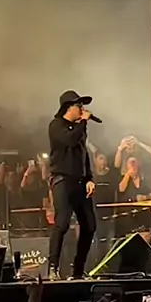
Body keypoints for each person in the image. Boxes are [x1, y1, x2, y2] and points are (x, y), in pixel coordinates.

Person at [47, 91, 96, 280]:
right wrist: (83, 122)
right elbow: (70, 140)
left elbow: (84, 154)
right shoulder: (56, 126)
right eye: (79, 106)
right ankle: (53, 267)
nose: (82, 109)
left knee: (89, 225)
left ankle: (78, 270)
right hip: (63, 180)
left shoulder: (79, 128)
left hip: (81, 181)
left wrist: (89, 178)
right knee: (62, 223)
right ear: (68, 107)